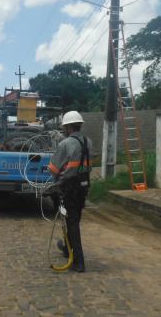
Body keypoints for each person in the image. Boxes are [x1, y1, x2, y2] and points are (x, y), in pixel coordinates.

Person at [48, 111, 92, 273]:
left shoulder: (65, 144)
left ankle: (79, 262)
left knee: (71, 222)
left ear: (67, 127)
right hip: (84, 185)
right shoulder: (88, 142)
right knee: (74, 219)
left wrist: (56, 182)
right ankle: (67, 249)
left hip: (69, 187)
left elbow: (53, 168)